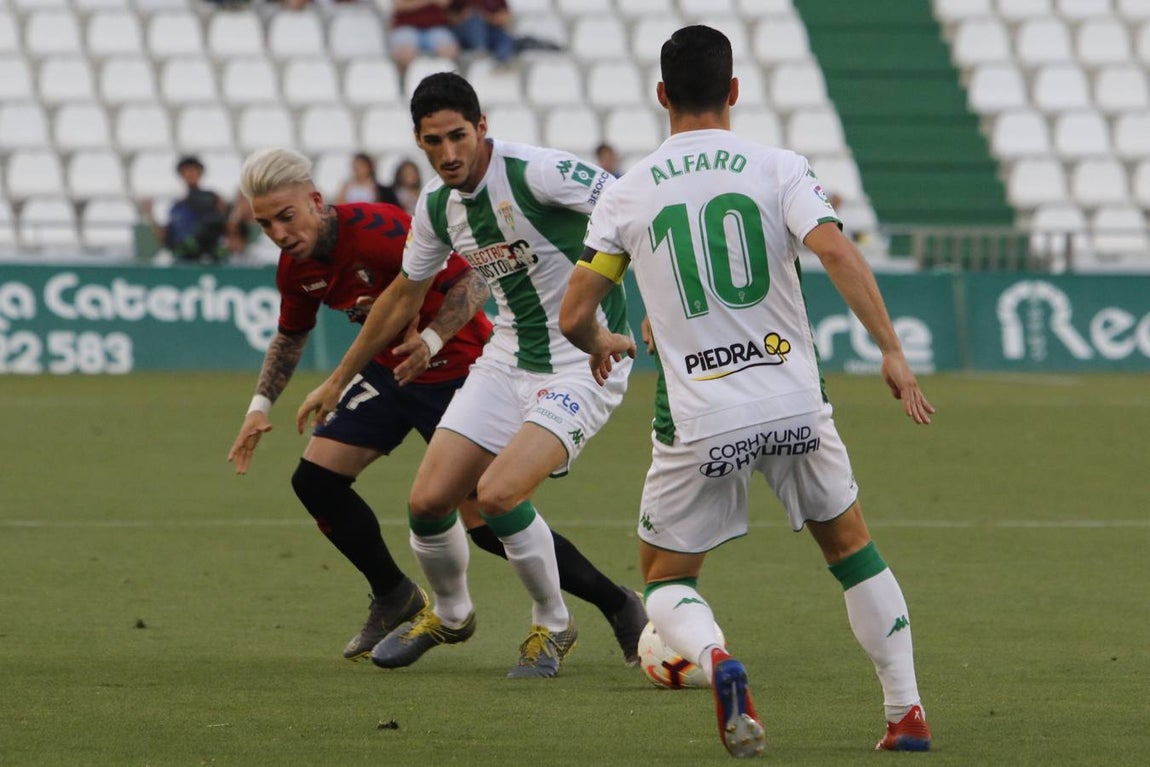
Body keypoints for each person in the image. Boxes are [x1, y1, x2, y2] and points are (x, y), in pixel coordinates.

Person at [559, 25, 935, 758]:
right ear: (733, 91)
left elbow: (575, 312)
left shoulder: (629, 192)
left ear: (662, 96)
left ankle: (717, 660)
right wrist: (892, 350)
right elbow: (835, 250)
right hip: (795, 399)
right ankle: (906, 713)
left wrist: (599, 343)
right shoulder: (778, 166)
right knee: (854, 551)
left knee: (666, 578)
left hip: (701, 412)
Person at [228, 147, 646, 668]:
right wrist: (260, 404)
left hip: (460, 366)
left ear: (314, 201)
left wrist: (429, 337)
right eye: (265, 224)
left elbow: (470, 282)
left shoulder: (381, 227)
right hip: (390, 374)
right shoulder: (296, 266)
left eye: (286, 217)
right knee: (318, 480)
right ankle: (399, 596)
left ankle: (607, 604)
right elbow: (291, 335)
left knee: (489, 515)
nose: (279, 233)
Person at [141, 155, 229, 264]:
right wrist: (151, 215)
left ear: (200, 173)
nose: (190, 174)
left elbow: (227, 227)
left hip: (208, 259)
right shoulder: (177, 207)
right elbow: (166, 240)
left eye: (193, 170)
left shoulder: (212, 199)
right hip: (184, 260)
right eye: (186, 171)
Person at [389, 0, 460, 73]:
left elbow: (445, 2)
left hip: (436, 27)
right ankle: (403, 81)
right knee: (403, 53)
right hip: (406, 27)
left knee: (448, 50)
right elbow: (398, 5)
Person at [450, 0, 516, 65]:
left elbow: (505, 17)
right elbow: (451, 17)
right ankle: (480, 52)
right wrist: (466, 15)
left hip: (490, 30)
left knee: (505, 38)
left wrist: (487, 17)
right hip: (465, 33)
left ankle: (501, 63)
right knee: (475, 19)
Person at [335, 153, 399, 207]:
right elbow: (339, 204)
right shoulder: (347, 186)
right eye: (355, 167)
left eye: (361, 166)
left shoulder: (377, 188)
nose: (358, 170)